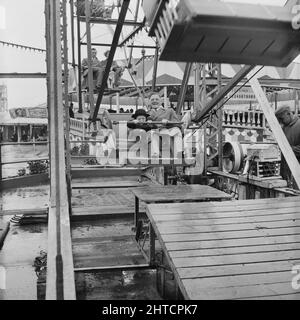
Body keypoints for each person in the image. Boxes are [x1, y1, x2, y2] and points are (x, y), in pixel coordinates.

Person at [147, 93, 182, 158]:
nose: (154, 101)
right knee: (152, 133)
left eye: (157, 99)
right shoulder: (146, 113)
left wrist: (168, 122)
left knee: (177, 130)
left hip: (167, 132)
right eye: (152, 100)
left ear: (161, 101)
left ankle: (178, 153)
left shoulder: (169, 111)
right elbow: (135, 121)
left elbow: (178, 123)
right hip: (154, 134)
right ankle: (155, 155)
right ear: (149, 102)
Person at [275, 105, 300, 189]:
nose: (280, 122)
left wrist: (288, 149)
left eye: (281, 119)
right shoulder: (284, 128)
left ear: (289, 114)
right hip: (286, 169)